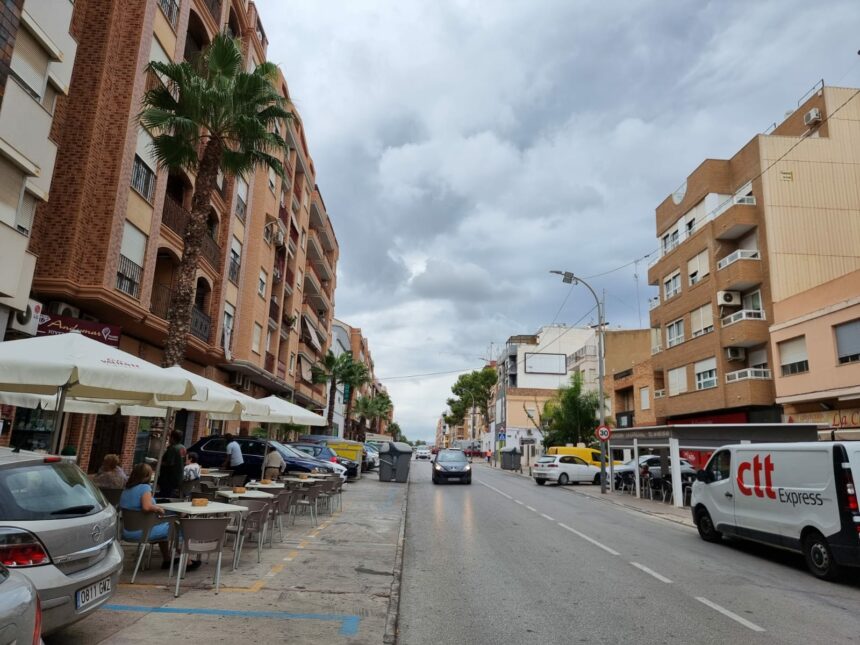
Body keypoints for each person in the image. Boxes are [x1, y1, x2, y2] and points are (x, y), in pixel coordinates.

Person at [120, 463, 199, 570]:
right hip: (144, 531)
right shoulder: (144, 487)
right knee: (179, 527)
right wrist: (158, 509)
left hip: (128, 531)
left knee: (165, 524)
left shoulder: (126, 489)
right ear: (146, 476)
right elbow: (146, 507)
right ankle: (187, 561)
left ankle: (167, 559)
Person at [158, 430, 186, 497]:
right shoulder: (183, 448)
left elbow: (170, 463)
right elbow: (184, 461)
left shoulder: (173, 448)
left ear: (172, 438)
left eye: (170, 437)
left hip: (169, 478)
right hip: (179, 476)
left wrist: (158, 462)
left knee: (165, 494)